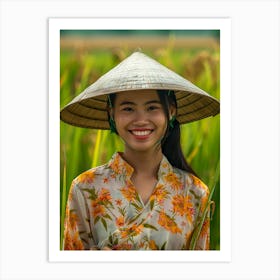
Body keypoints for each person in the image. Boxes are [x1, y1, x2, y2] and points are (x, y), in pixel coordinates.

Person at [60, 51, 220, 250]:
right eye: (128, 109)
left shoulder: (195, 193)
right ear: (111, 113)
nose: (141, 120)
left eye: (152, 108)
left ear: (170, 111)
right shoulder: (85, 188)